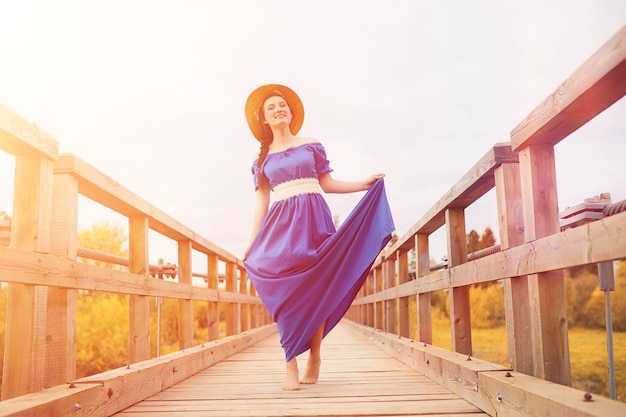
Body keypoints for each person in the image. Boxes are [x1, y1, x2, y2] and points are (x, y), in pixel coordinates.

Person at [242, 84, 395, 390]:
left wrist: (362, 184)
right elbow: (262, 202)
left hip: (314, 220)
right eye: (271, 107)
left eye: (282, 105)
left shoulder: (311, 144)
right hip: (281, 227)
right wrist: (250, 243)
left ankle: (315, 355)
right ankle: (290, 361)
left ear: (290, 112)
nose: (278, 109)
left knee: (318, 287)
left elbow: (326, 183)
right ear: (264, 119)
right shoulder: (261, 161)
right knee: (285, 293)